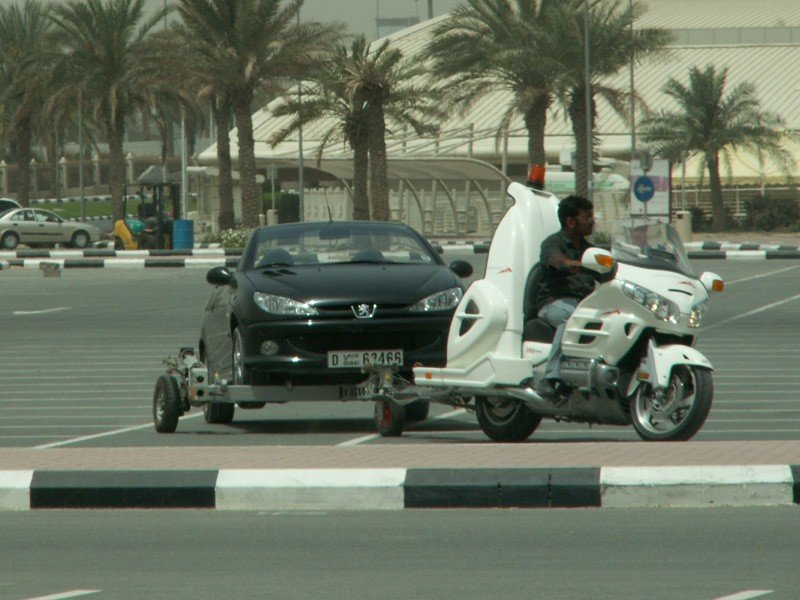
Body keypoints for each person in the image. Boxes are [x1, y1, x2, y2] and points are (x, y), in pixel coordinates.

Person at [534, 195, 608, 401]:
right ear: (570, 221)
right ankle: (550, 377)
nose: (592, 221)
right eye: (587, 217)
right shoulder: (552, 243)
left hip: (583, 305)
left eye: (592, 216)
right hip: (553, 304)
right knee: (571, 319)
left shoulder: (590, 250)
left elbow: (609, 270)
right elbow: (557, 261)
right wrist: (575, 265)